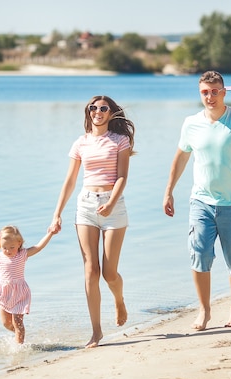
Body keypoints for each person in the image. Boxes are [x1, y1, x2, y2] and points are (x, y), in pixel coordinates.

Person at [163, 70, 231, 331]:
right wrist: (169, 190)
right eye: (205, 92)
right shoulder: (191, 123)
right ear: (199, 93)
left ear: (224, 92)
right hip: (201, 202)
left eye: (215, 91)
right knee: (199, 254)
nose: (210, 96)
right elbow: (181, 158)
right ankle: (204, 310)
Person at [49, 95, 135, 348]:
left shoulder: (120, 140)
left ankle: (119, 300)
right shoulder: (80, 143)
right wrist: (57, 213)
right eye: (93, 108)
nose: (97, 111)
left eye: (103, 108)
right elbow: (70, 181)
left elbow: (122, 177)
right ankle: (96, 332)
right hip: (85, 205)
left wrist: (110, 203)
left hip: (113, 205)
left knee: (109, 273)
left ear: (110, 113)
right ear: (88, 112)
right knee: (90, 269)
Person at [0, 225, 55, 344]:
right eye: (4, 247)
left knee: (17, 322)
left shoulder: (22, 255)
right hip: (4, 293)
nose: (8, 250)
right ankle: (20, 334)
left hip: (19, 293)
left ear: (19, 243)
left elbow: (38, 247)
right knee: (6, 323)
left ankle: (19, 346)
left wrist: (50, 234)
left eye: (12, 247)